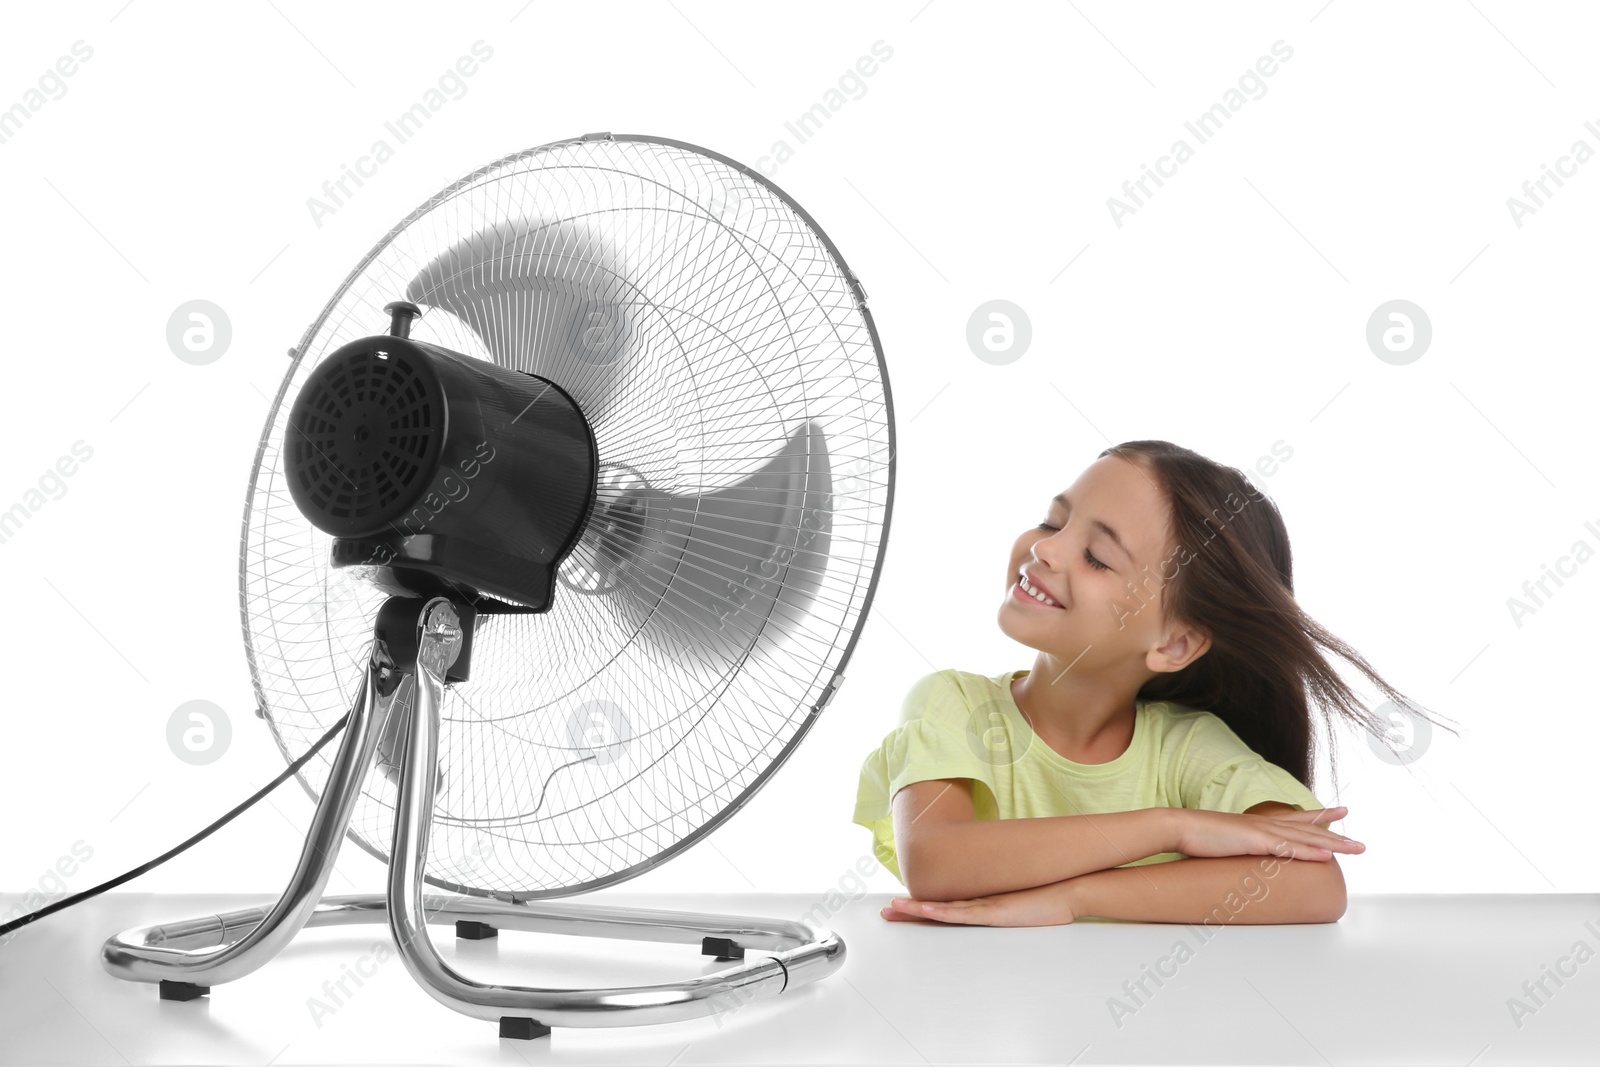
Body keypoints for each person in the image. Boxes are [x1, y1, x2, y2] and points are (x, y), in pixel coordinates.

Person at [851, 440, 1458, 927]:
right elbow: (937, 862)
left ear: (1174, 644)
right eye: (1052, 522)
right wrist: (1174, 827)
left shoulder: (1188, 749)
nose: (1046, 551)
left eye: (1097, 557)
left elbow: (1315, 885)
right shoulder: (952, 703)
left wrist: (1074, 900)